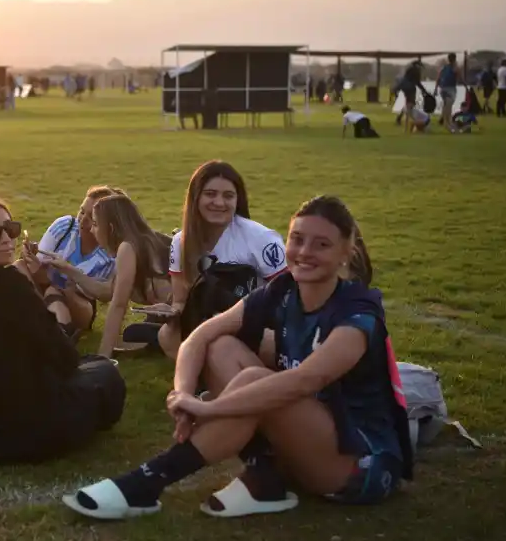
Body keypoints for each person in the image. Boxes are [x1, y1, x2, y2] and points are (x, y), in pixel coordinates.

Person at [63, 195, 413, 520]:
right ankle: (265, 476)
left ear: (345, 253)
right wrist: (184, 394)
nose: (304, 252)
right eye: (297, 239)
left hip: (359, 466)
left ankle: (147, 482)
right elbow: (200, 336)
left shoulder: (358, 311)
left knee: (258, 381)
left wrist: (211, 409)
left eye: (322, 244)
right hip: (305, 437)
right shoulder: (284, 288)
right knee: (221, 346)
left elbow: (306, 380)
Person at [0, 194, 126, 463]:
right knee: (104, 373)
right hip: (15, 435)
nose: (6, 239)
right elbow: (65, 358)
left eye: (10, 229)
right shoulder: (9, 284)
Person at [136, 161, 286, 360]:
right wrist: (171, 314)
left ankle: (251, 383)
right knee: (166, 335)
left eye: (228, 196)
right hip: (206, 320)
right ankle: (207, 381)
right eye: (210, 194)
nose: (219, 202)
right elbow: (181, 300)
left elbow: (289, 296)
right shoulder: (181, 241)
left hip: (256, 322)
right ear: (195, 198)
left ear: (237, 200)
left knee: (227, 343)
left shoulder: (262, 239)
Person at [45, 194, 172, 357]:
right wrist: (69, 269)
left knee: (134, 334)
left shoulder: (127, 247)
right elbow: (108, 291)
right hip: (183, 314)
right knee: (132, 334)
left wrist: (103, 356)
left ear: (111, 228)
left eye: (96, 224)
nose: (91, 229)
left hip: (187, 318)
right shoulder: (144, 239)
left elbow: (118, 304)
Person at [16, 186, 123, 338]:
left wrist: (68, 271)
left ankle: (59, 336)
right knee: (19, 266)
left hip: (78, 303)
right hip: (42, 288)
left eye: (91, 218)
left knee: (55, 291)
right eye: (81, 211)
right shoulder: (65, 226)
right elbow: (36, 269)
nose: (82, 221)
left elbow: (105, 295)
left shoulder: (112, 252)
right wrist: (29, 255)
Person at [434, 53, 461, 132]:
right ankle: (448, 123)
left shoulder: (444, 68)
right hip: (450, 89)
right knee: (448, 106)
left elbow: (438, 78)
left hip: (443, 88)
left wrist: (436, 89)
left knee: (446, 105)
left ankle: (444, 121)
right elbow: (460, 78)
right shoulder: (455, 68)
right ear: (455, 59)